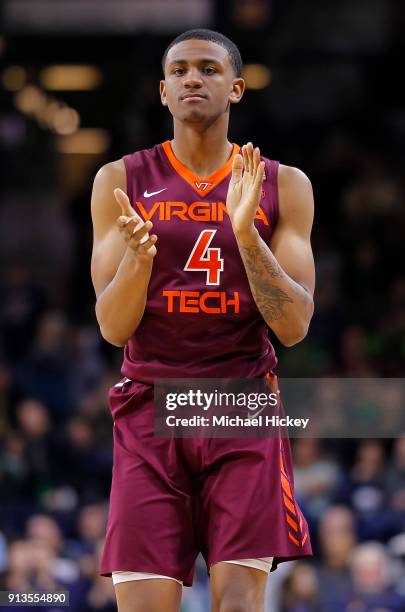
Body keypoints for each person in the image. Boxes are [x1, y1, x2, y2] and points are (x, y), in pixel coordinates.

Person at [91, 28, 315, 612]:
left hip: (239, 403)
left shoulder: (282, 185)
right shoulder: (120, 181)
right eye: (182, 70)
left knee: (238, 606)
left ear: (236, 89)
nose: (194, 78)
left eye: (210, 70)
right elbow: (113, 329)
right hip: (151, 401)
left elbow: (294, 327)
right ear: (162, 91)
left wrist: (246, 235)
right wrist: (140, 259)